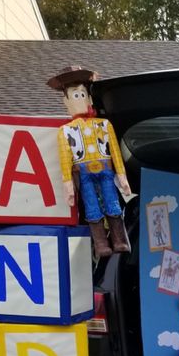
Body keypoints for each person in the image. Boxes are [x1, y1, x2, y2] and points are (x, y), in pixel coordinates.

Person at [47, 65, 131, 256]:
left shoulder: (104, 125)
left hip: (106, 169)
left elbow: (115, 152)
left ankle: (119, 239)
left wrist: (122, 175)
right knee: (92, 205)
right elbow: (65, 160)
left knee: (112, 201)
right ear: (66, 102)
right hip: (83, 172)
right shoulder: (65, 131)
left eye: (83, 94)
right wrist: (68, 183)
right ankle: (101, 243)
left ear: (90, 98)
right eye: (75, 96)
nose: (80, 99)